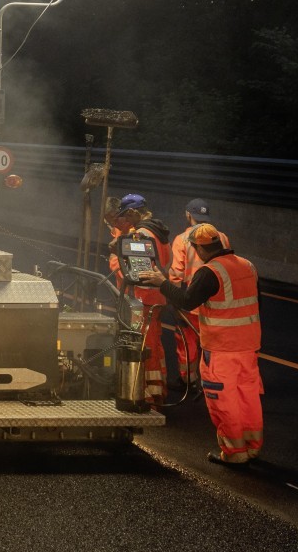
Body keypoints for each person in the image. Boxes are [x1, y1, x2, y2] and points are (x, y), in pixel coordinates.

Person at [158, 224, 264, 466]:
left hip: (222, 349)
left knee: (224, 401)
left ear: (198, 249)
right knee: (248, 396)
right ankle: (253, 446)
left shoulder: (210, 272)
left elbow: (187, 301)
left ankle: (234, 452)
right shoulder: (248, 266)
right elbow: (258, 304)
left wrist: (162, 284)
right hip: (249, 346)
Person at [105, 193, 174, 406]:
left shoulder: (141, 234)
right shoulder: (158, 232)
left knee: (144, 344)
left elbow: (135, 270)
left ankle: (148, 394)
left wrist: (116, 256)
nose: (126, 221)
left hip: (142, 298)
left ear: (134, 212)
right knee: (154, 342)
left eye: (127, 216)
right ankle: (158, 388)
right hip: (156, 296)